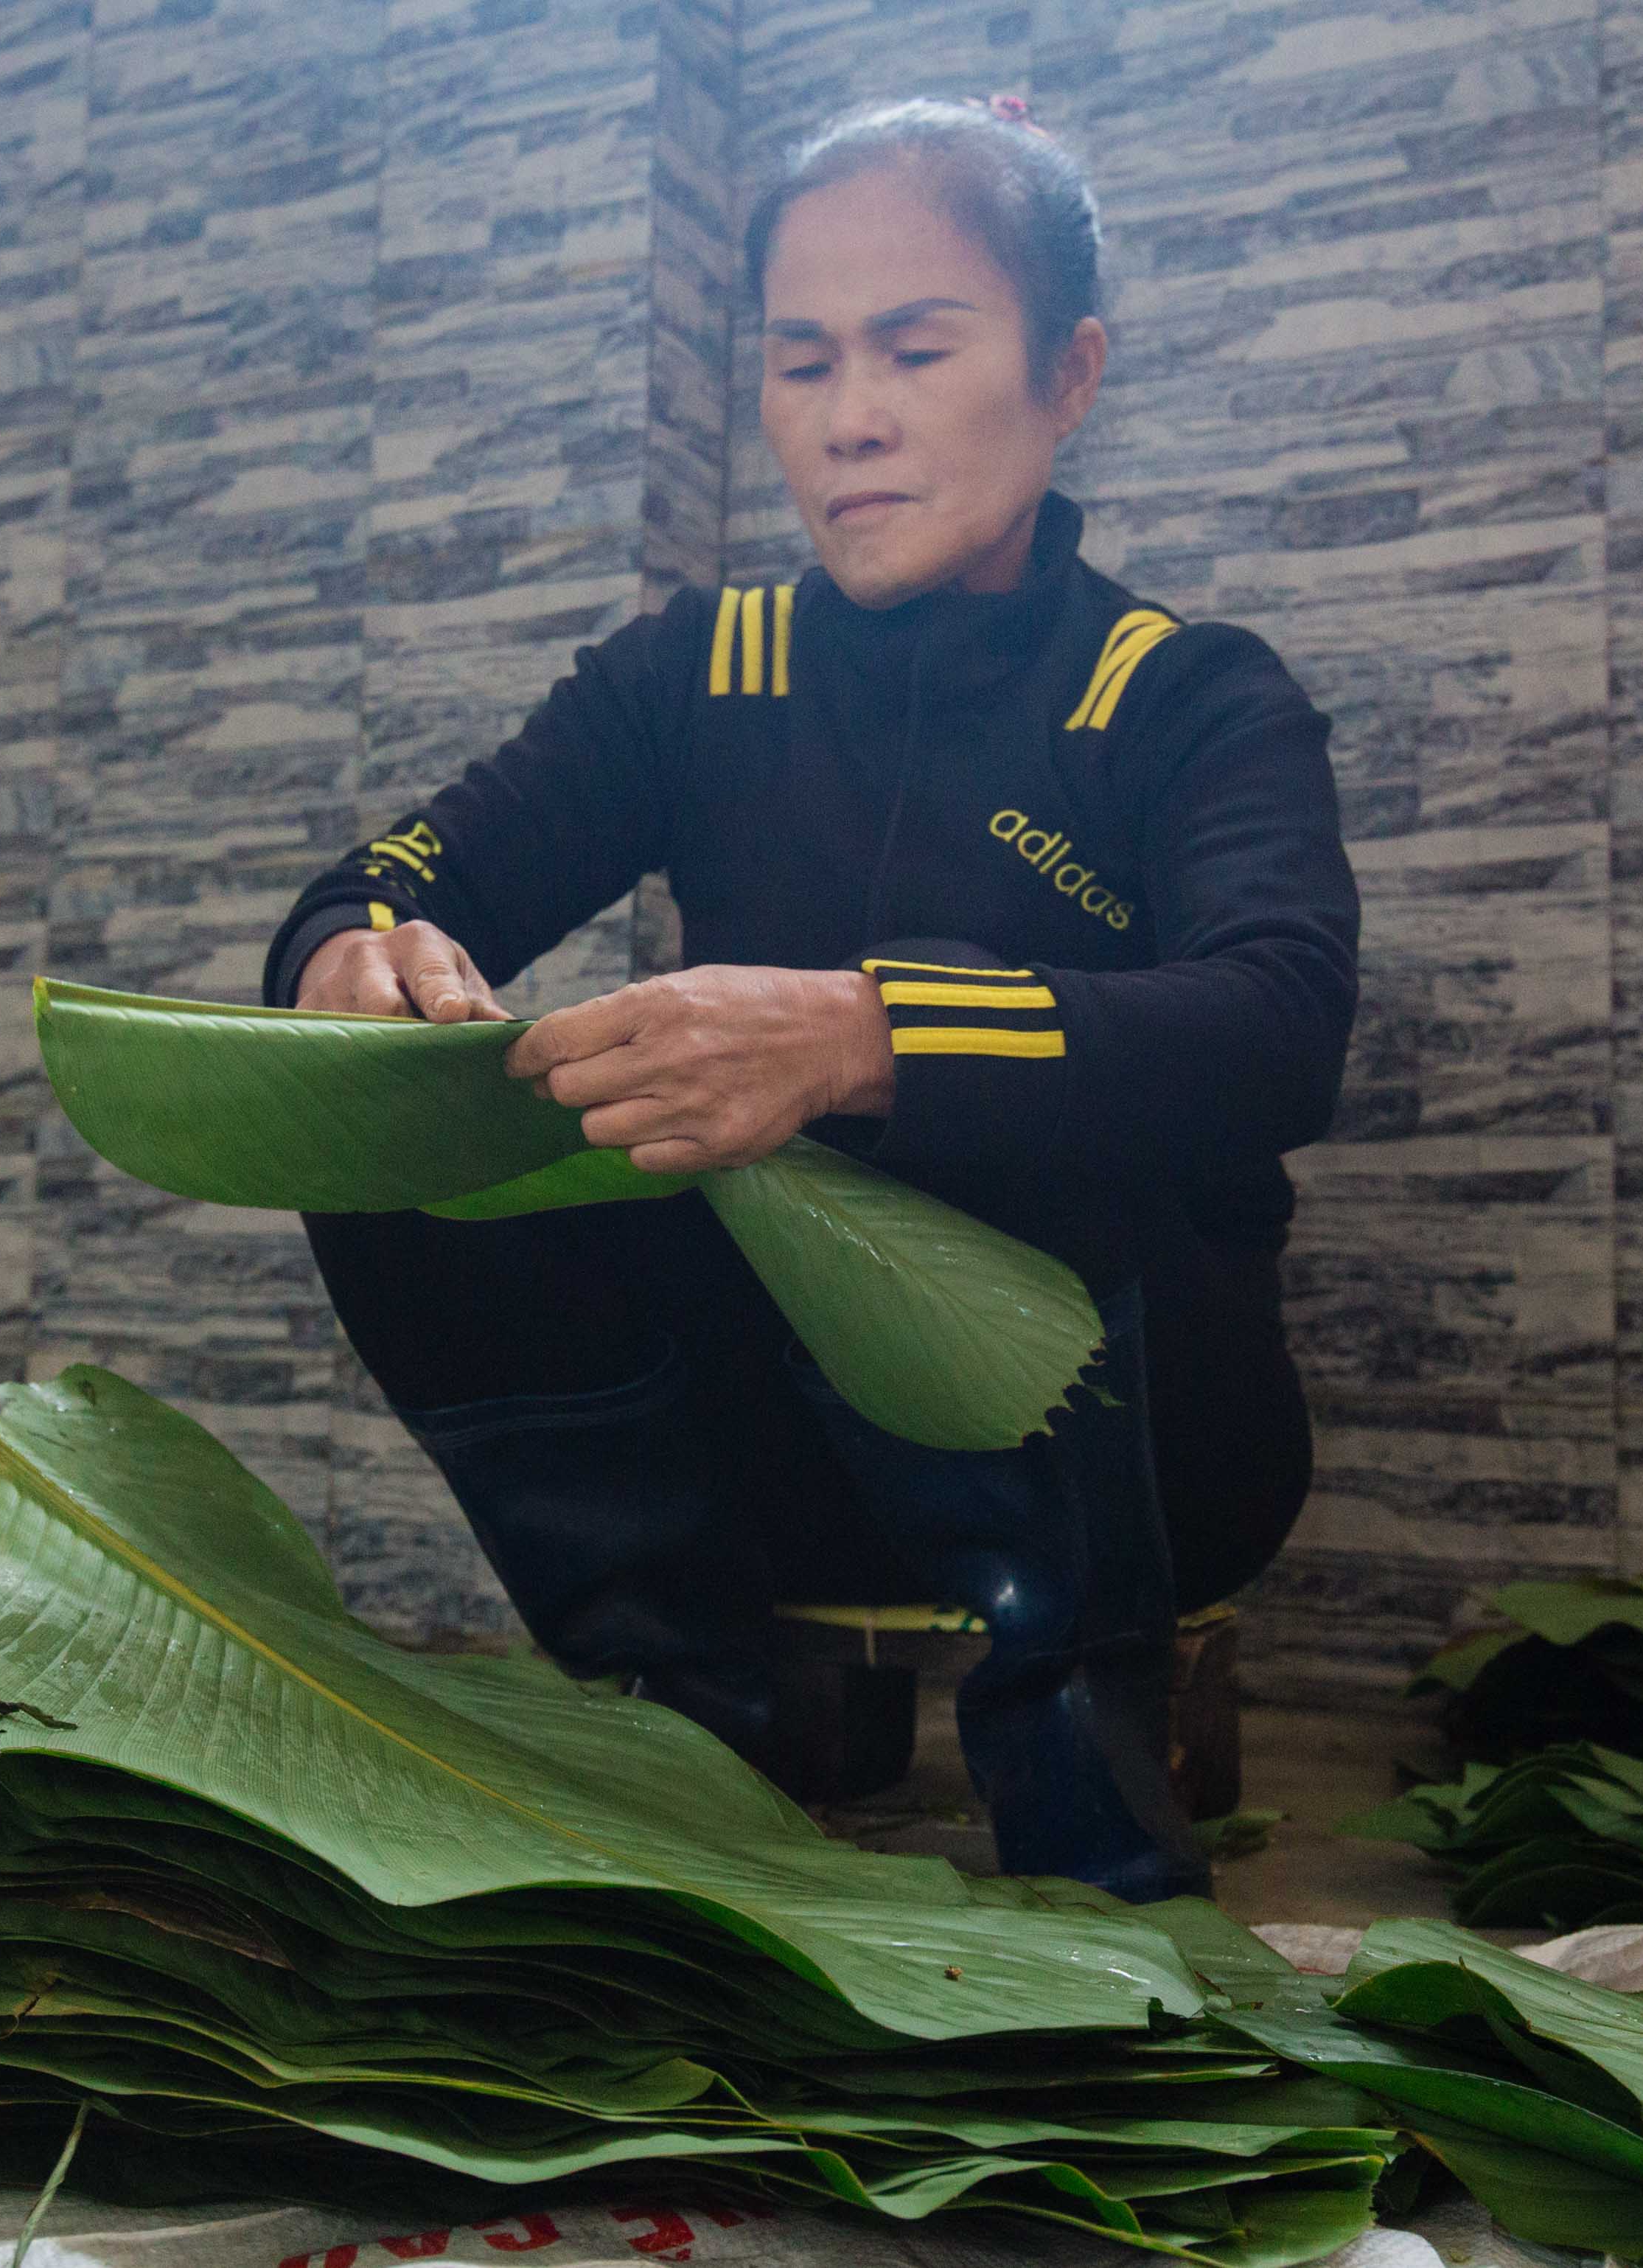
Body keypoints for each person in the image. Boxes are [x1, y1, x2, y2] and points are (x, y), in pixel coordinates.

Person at [259, 96, 1359, 1900]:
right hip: (772, 1440)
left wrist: (867, 1035)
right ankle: (692, 1707)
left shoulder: (1186, 698)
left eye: (917, 350)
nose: (849, 418)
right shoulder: (703, 673)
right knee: (390, 1110)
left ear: (1068, 375)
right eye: (803, 361)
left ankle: (1082, 1769)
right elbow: (390, 878)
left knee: (1012, 1085)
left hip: (1155, 1452)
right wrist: (350, 959)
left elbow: (1278, 1024)